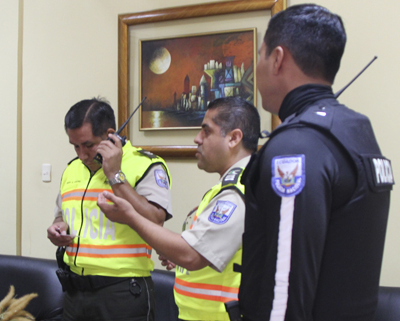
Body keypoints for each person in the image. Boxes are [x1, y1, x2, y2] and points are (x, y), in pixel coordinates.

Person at [239, 4, 393, 320]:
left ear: (278, 58)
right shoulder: (357, 130)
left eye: (261, 55)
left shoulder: (295, 147)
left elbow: (286, 290)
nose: (258, 67)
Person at [98, 97, 260, 321]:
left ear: (234, 138)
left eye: (206, 132)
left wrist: (131, 217)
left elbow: (192, 255)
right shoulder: (230, 186)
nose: (197, 139)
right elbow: (202, 250)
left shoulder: (238, 189)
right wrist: (179, 257)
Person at [46, 98, 172, 321]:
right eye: (75, 146)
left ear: (110, 135)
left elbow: (155, 220)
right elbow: (62, 212)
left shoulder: (145, 165)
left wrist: (115, 175)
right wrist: (58, 226)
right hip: (75, 292)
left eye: (88, 145)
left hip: (123, 292)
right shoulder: (73, 169)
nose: (81, 155)